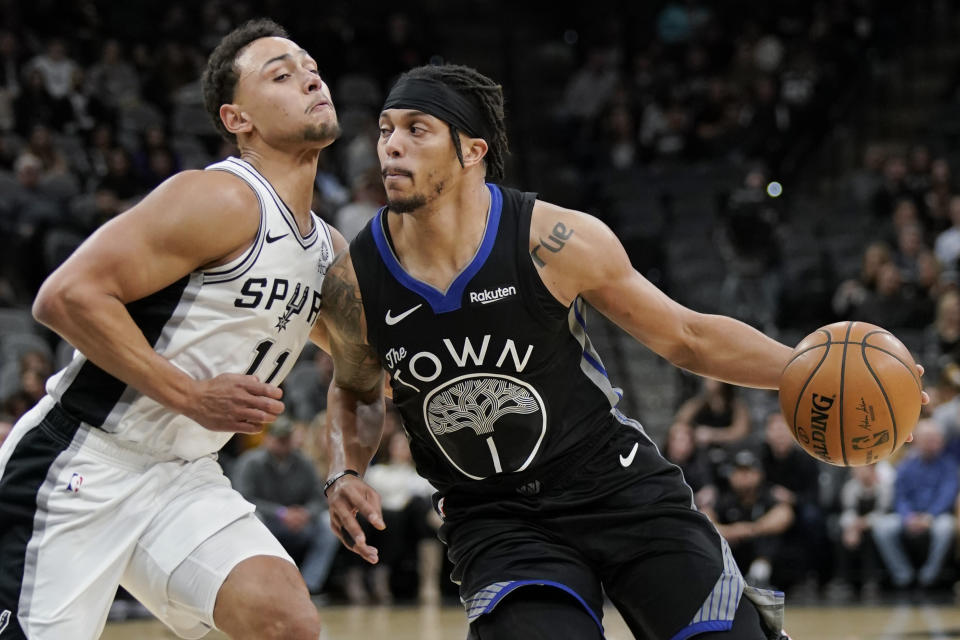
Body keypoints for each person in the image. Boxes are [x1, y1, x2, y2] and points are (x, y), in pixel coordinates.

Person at [317, 63, 849, 640]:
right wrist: (344, 468)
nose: (391, 146)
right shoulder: (356, 279)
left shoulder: (552, 240)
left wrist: (808, 372)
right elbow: (355, 388)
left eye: (416, 129)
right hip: (498, 518)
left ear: (472, 150)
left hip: (618, 486)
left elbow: (685, 336)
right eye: (385, 129)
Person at [0, 19, 345, 640]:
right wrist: (190, 396)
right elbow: (65, 297)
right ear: (237, 118)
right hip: (82, 460)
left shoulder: (326, 249)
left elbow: (366, 362)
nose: (310, 78)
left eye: (310, 66)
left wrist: (348, 470)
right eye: (281, 74)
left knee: (284, 621)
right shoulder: (219, 199)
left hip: (182, 475)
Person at [231, 415, 339, 596]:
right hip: (268, 522)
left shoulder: (305, 463)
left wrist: (305, 513)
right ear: (267, 438)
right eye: (279, 438)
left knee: (328, 524)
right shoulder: (250, 462)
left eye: (287, 438)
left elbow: (319, 499)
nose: (283, 443)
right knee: (252, 519)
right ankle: (263, 583)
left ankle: (308, 586)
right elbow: (243, 499)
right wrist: (281, 513)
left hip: (300, 523)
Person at [872, 419, 958, 589]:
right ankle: (903, 576)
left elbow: (947, 496)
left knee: (946, 528)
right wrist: (908, 517)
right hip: (909, 516)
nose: (932, 443)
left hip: (936, 516)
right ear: (916, 441)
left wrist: (930, 516)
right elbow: (900, 497)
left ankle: (929, 577)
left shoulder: (949, 466)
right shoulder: (905, 466)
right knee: (882, 527)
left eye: (935, 439)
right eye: (927, 439)